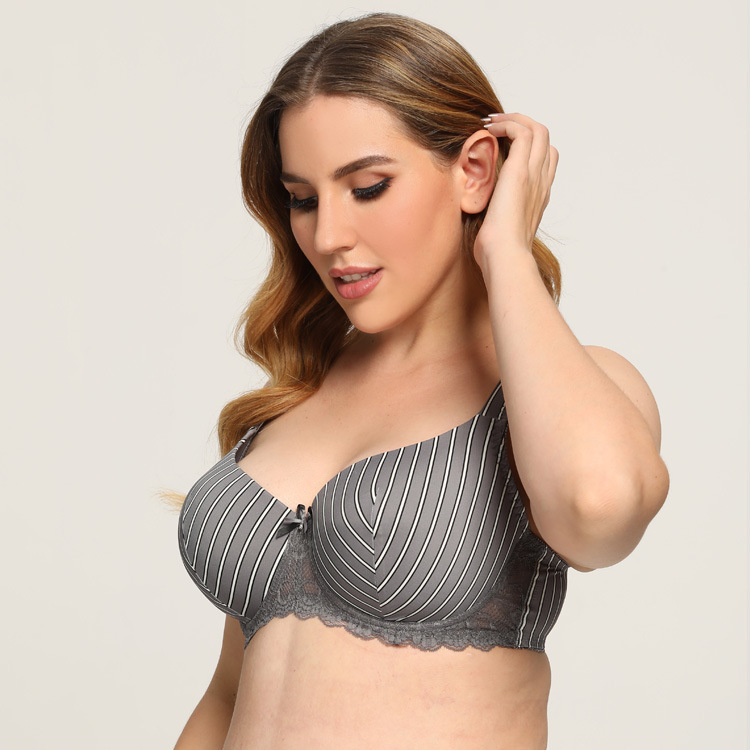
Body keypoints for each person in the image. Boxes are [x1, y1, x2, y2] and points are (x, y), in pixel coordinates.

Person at [174, 12, 669, 750]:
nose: (328, 235)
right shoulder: (302, 393)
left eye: (368, 187)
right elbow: (226, 695)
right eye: (303, 199)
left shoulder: (577, 388)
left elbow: (599, 512)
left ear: (475, 172)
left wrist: (505, 249)